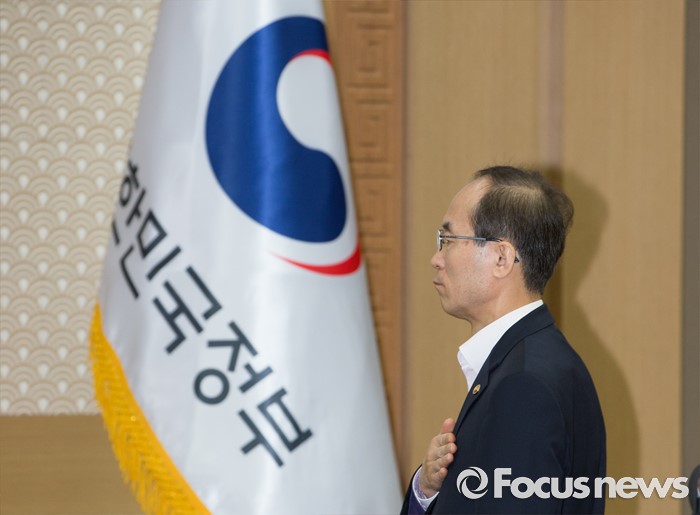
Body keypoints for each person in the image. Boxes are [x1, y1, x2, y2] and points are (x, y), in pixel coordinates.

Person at [401, 166, 606, 514]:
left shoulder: (524, 385)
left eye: (448, 240)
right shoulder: (528, 362)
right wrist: (427, 489)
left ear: (501, 258)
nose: (436, 259)